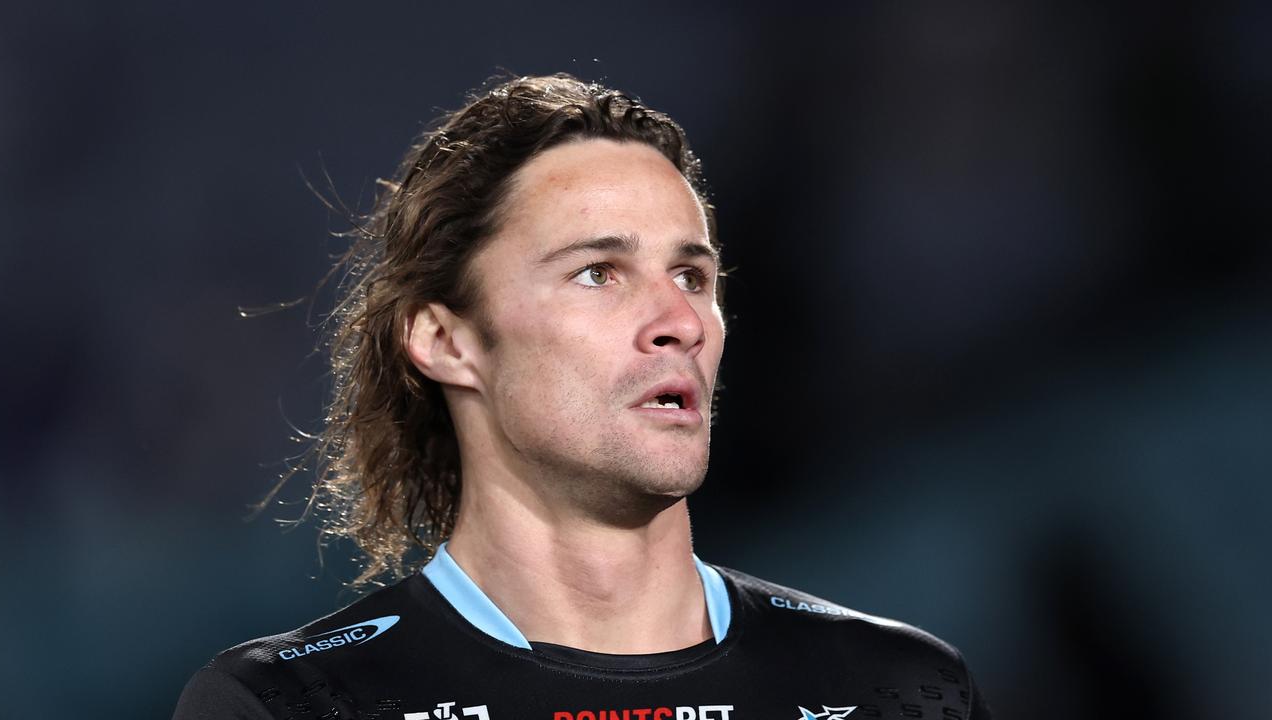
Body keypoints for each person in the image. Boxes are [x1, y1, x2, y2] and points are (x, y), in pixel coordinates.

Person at [173, 73, 991, 720]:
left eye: (692, 276)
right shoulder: (293, 706)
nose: (679, 321)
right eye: (598, 273)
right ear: (445, 340)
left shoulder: (903, 691)